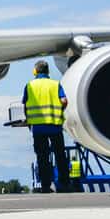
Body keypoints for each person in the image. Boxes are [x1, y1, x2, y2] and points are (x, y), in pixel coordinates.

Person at [23, 61, 68, 193]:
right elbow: (64, 101)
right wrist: (59, 110)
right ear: (48, 71)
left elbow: (25, 105)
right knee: (60, 155)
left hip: (38, 127)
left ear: (35, 71)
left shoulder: (29, 85)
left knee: (42, 157)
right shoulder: (55, 84)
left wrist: (29, 120)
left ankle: (45, 185)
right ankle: (64, 184)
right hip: (55, 125)